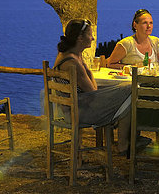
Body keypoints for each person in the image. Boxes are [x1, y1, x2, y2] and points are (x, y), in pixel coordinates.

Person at [53, 19, 132, 153]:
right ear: (80, 38)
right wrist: (88, 70)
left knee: (126, 92)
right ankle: (124, 144)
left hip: (74, 108)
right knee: (130, 90)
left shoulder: (66, 55)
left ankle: (124, 139)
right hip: (79, 113)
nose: (93, 38)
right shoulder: (73, 62)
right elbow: (93, 91)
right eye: (90, 34)